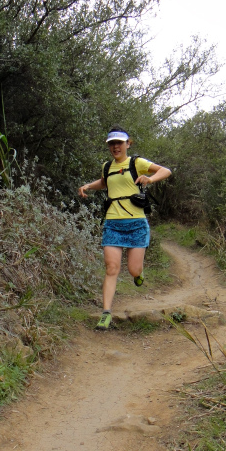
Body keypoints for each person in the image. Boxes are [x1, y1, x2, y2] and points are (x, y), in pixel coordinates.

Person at [78, 126, 172, 330]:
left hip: (136, 223)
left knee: (133, 269)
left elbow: (166, 171)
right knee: (111, 268)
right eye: (111, 144)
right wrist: (88, 186)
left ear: (128, 143)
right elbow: (105, 182)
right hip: (112, 223)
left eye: (119, 143)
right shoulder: (107, 166)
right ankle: (106, 313)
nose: (115, 147)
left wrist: (150, 178)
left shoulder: (137, 163)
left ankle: (139, 274)